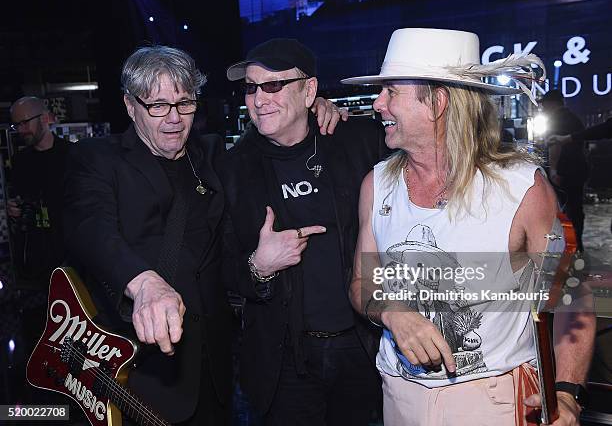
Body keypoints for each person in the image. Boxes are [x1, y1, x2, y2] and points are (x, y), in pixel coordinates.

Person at [345, 28, 596, 426]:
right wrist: (391, 310)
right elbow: (362, 282)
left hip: (496, 401)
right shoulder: (378, 185)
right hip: (399, 399)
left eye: (392, 92)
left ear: (438, 102)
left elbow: (573, 296)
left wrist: (566, 394)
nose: (378, 104)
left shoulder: (521, 189)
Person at [63, 45, 233, 425]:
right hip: (138, 373)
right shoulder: (98, 159)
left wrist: (316, 112)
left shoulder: (211, 153)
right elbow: (89, 227)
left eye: (184, 103)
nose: (173, 118)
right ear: (130, 105)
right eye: (157, 105)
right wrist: (142, 284)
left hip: (214, 371)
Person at [222, 38, 387, 425]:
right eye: (250, 87)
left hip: (362, 349)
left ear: (309, 90)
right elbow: (217, 268)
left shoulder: (359, 142)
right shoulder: (232, 170)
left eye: (273, 85)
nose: (258, 99)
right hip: (285, 363)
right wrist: (257, 266)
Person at [9, 96, 68, 289]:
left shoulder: (72, 155)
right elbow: (18, 199)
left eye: (25, 122)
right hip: (35, 259)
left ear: (44, 118)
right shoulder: (20, 162)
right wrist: (14, 211)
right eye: (17, 125)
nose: (21, 130)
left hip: (71, 256)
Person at [540, 89, 588, 251]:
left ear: (552, 104)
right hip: (577, 170)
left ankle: (568, 245)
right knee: (575, 207)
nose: (542, 108)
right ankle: (576, 244)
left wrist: (553, 170)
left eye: (544, 105)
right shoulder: (574, 119)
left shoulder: (557, 119)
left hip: (564, 171)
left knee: (564, 208)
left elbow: (555, 144)